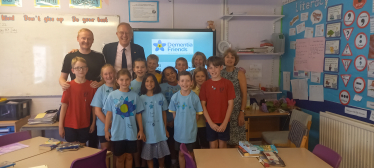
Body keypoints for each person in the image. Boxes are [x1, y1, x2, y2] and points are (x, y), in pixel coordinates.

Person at [60, 28, 105, 148]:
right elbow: (62, 78)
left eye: (89, 38)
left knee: (92, 139)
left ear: (93, 40)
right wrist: (64, 84)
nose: (86, 40)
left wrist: (99, 84)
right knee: (75, 145)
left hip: (93, 101)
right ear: (78, 39)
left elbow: (106, 77)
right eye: (83, 38)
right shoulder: (70, 56)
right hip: (76, 103)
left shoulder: (99, 57)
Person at [104, 69, 145, 168]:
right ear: (117, 80)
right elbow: (109, 114)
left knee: (129, 156)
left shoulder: (135, 96)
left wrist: (141, 130)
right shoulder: (112, 95)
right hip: (117, 132)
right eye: (121, 80)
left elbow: (138, 114)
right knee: (120, 157)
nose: (124, 82)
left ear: (130, 80)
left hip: (131, 132)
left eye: (127, 79)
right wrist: (106, 130)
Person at [59, 57, 97, 146]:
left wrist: (93, 123)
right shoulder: (68, 86)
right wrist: (61, 126)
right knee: (72, 150)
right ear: (73, 70)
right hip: (69, 124)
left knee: (83, 148)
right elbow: (64, 107)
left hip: (85, 124)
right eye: (77, 68)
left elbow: (94, 108)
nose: (81, 70)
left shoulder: (92, 87)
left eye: (83, 67)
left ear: (87, 69)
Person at [169, 71, 203, 168]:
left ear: (191, 82)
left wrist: (190, 124)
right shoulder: (175, 97)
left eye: (187, 81)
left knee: (190, 153)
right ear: (178, 82)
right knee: (181, 153)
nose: (185, 83)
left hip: (190, 132)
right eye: (182, 81)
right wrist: (179, 123)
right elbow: (174, 113)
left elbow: (197, 114)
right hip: (179, 132)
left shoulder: (195, 97)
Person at [199, 56, 235, 149]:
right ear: (207, 69)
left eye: (216, 67)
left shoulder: (228, 83)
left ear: (221, 67)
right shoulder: (205, 85)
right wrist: (210, 123)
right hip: (210, 121)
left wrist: (225, 123)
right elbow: (203, 105)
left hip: (224, 121)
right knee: (213, 146)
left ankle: (224, 164)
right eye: (210, 67)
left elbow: (231, 104)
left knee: (223, 146)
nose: (213, 70)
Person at [140, 73, 170, 168]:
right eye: (147, 81)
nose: (149, 83)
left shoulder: (160, 96)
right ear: (144, 83)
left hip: (160, 131)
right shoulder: (141, 98)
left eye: (152, 81)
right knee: (149, 155)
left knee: (161, 153)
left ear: (155, 83)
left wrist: (165, 129)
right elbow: (139, 115)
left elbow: (164, 113)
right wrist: (141, 131)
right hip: (147, 132)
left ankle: (161, 166)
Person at [221, 49, 247, 146]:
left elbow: (244, 94)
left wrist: (242, 112)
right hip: (223, 112)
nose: (230, 59)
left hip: (236, 112)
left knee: (237, 142)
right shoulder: (220, 73)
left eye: (232, 57)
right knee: (224, 141)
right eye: (227, 56)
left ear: (235, 60)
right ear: (223, 59)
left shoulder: (240, 73)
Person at [91, 64, 117, 150]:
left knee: (117, 153)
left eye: (110, 73)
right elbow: (97, 111)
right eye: (105, 74)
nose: (108, 76)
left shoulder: (120, 88)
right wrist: (108, 124)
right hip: (103, 126)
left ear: (115, 73)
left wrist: (114, 124)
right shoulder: (100, 90)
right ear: (102, 76)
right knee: (106, 153)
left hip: (118, 126)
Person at [160, 66, 180, 168]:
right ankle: (172, 161)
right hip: (166, 121)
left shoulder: (182, 84)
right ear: (164, 77)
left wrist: (175, 121)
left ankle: (181, 161)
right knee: (170, 142)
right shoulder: (161, 87)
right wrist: (167, 122)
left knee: (180, 143)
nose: (170, 75)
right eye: (167, 74)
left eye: (172, 73)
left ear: (176, 73)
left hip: (180, 121)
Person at [191, 67, 209, 149]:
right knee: (194, 147)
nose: (200, 78)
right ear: (194, 77)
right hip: (193, 124)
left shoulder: (210, 89)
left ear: (206, 76)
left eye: (202, 76)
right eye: (197, 76)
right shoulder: (190, 90)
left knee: (205, 146)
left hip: (206, 123)